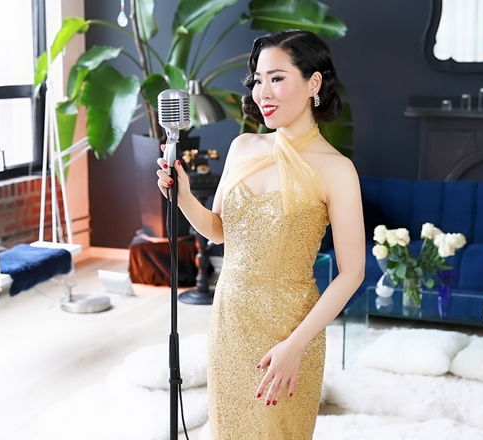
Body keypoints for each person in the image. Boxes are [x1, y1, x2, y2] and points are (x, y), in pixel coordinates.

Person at [156, 29, 365, 439]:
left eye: (277, 78)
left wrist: (295, 345)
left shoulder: (337, 169)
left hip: (290, 330)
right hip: (230, 321)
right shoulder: (243, 147)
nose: (262, 92)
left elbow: (352, 273)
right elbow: (218, 231)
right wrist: (182, 197)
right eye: (257, 80)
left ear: (314, 83)